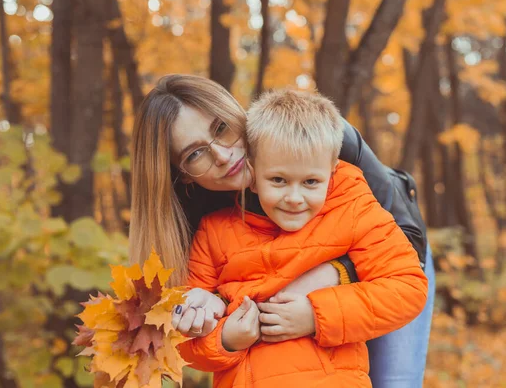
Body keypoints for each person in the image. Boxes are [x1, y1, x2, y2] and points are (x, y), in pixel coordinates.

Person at [130, 74, 436, 387]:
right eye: (195, 154)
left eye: (221, 128)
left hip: (400, 241)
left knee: (393, 380)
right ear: (182, 176)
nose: (222, 156)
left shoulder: (316, 137)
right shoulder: (202, 220)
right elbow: (193, 323)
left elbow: (402, 265)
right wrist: (215, 317)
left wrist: (335, 275)